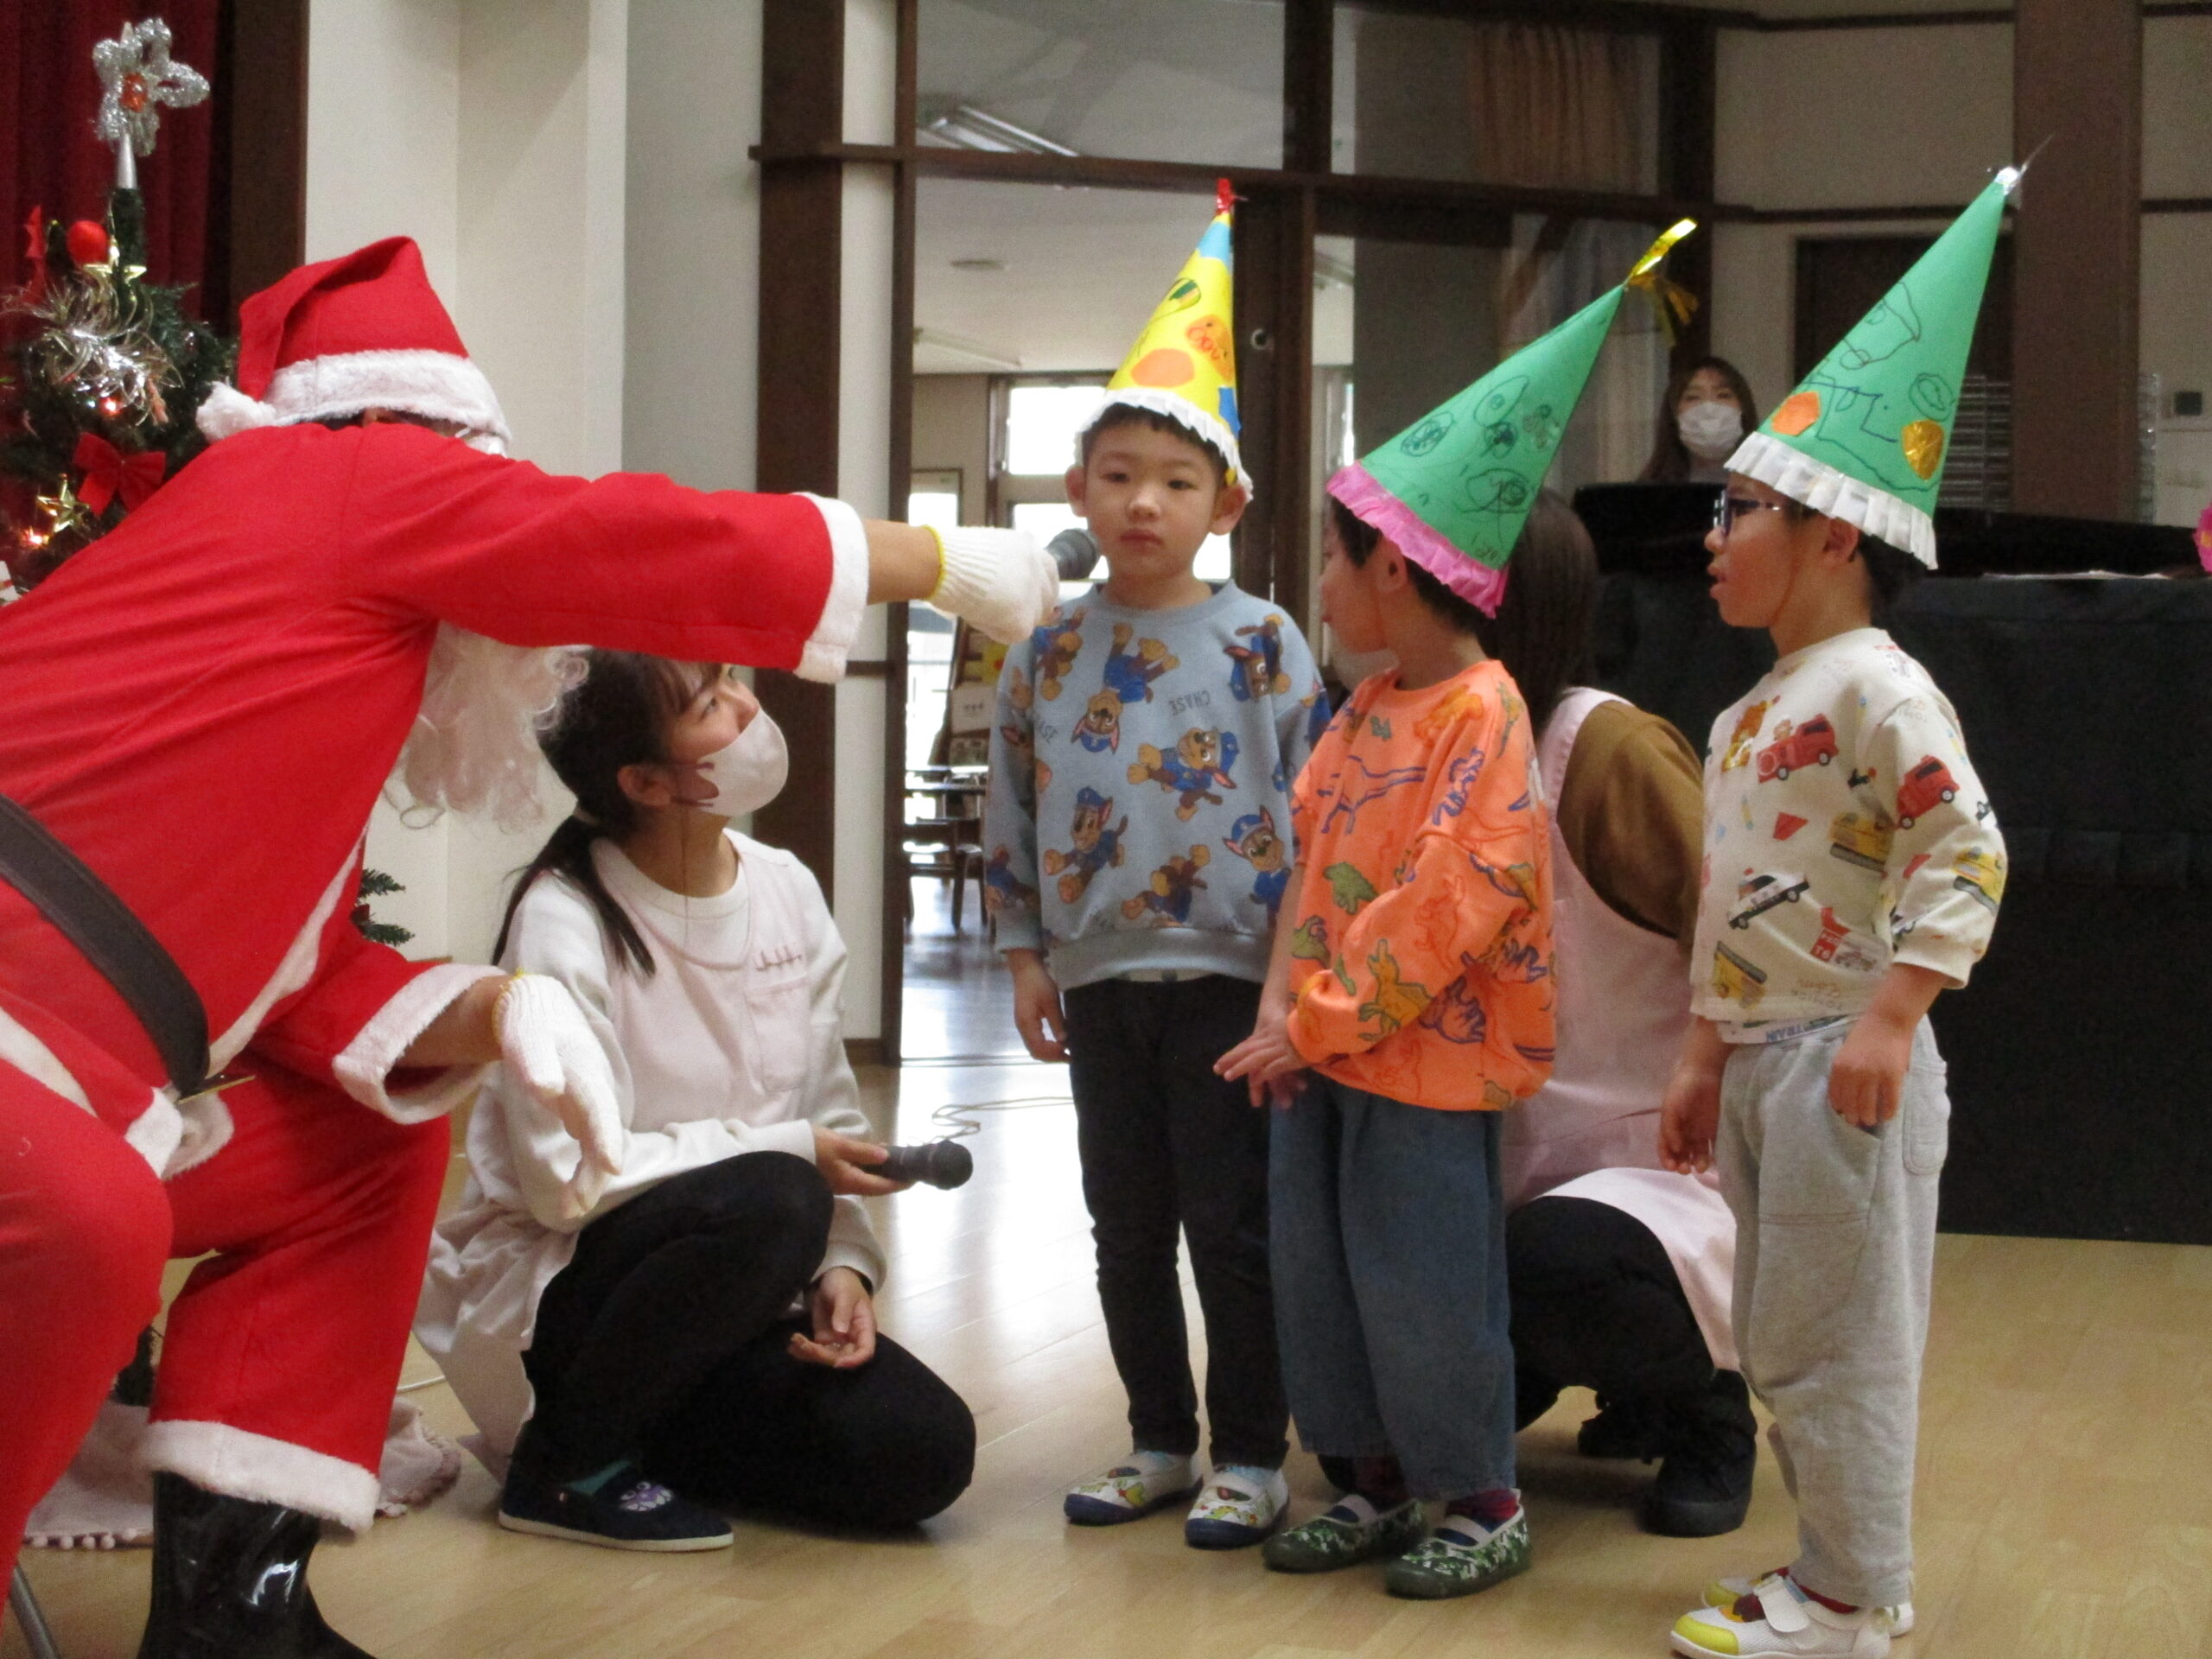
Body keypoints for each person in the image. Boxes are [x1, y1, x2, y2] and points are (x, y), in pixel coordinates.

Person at [0, 237, 1052, 1656]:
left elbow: (286, 975)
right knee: (86, 1216)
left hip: (81, 1074)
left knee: (364, 1151)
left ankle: (232, 1617)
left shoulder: (284, 658)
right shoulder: (341, 469)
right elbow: (620, 541)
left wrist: (494, 1011)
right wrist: (929, 560)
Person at [1220, 225, 1694, 1604]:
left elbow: (1459, 898)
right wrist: (1284, 1011)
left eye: (1332, 558)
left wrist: (1317, 1021)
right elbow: (1311, 865)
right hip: (1323, 1051)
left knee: (1424, 1281)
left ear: (1397, 573)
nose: (1318, 582)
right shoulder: (1362, 706)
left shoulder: (1485, 713)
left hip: (1428, 1063)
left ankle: (1477, 1497)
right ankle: (1368, 1480)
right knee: (1322, 1275)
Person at [1662, 174, 2016, 1659]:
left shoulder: (1877, 685)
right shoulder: (1749, 712)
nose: (1713, 534)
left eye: (1740, 509)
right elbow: (1728, 898)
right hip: (1769, 1058)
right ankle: (1832, 1569)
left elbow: (1966, 847)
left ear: (1833, 538)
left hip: (1843, 1063)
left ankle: (1857, 1600)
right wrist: (1703, 1052)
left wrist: (1894, 1012)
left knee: (1843, 1343)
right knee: (1790, 1335)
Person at [417, 651, 973, 1548]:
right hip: (575, 1292)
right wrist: (789, 1158)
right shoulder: (563, 916)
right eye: (711, 704)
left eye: (730, 682)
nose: (748, 708)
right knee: (777, 1192)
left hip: (735, 1287)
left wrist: (842, 1267)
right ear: (644, 781)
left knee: (924, 1451)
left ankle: (636, 1442)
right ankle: (562, 1467)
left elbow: (828, 1109)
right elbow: (565, 1184)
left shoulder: (785, 885)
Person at [983, 184, 1326, 1550]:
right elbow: (1013, 809)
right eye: (1119, 475)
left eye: (1177, 481)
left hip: (1235, 979)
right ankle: (1157, 1441)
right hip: (1099, 976)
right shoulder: (1044, 652)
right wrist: (1024, 956)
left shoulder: (1266, 641)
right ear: (1078, 491)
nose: (1145, 501)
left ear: (1224, 502)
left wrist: (1293, 984)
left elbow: (1318, 817)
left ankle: (1251, 1451)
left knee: (1231, 1226)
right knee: (1123, 1226)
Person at [1484, 492, 1753, 1539]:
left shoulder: (1606, 752)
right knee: (1364, 1442)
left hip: (1655, 1173)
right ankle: (1599, 1369)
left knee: (1556, 1264)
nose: (1331, 593)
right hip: (1491, 1169)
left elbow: (1743, 946)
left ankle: (1703, 1407)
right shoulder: (1393, 746)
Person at [1642, 355, 1760, 485]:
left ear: (1743, 408)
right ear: (1673, 414)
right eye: (1693, 397)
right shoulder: (1647, 490)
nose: (1709, 409)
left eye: (1723, 395)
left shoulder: (1770, 486)